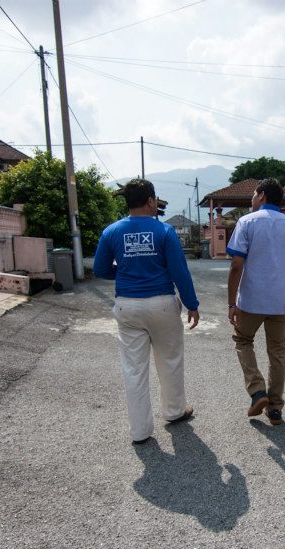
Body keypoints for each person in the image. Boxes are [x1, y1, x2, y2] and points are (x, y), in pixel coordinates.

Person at [93, 178, 200, 446]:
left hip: (127, 305)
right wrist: (192, 304)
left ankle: (140, 431)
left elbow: (101, 270)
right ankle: (175, 412)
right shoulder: (164, 232)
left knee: (134, 369)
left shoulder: (112, 232)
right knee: (170, 361)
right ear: (151, 201)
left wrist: (125, 271)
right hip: (162, 303)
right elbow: (179, 272)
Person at [227, 178, 285, 426]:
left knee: (243, 340)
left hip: (251, 301)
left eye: (254, 194)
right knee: (277, 353)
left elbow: (236, 264)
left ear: (261, 195)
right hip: (281, 303)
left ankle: (257, 391)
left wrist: (232, 303)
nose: (252, 198)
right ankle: (275, 408)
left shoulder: (246, 222)